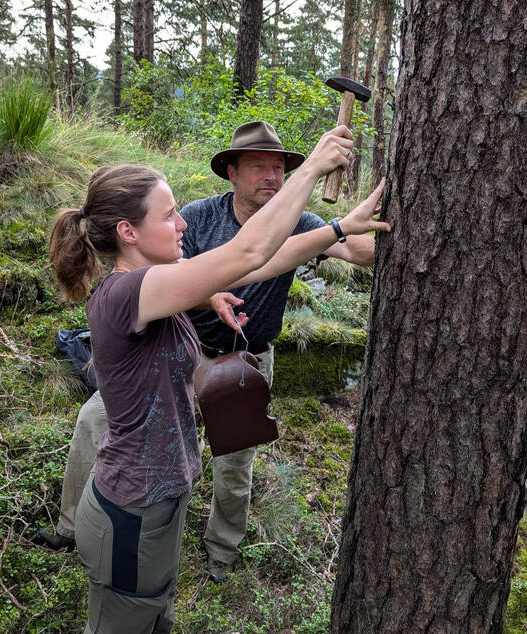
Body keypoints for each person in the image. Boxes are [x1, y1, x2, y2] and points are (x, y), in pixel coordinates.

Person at [45, 126, 388, 633]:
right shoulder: (129, 292)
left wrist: (336, 228)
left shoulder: (155, 284)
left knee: (153, 615)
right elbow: (245, 254)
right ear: (127, 232)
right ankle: (71, 528)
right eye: (167, 216)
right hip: (130, 512)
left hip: (156, 501)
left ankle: (217, 550)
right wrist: (313, 168)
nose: (182, 223)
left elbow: (262, 262)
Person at [180, 121, 378, 583]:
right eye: (258, 167)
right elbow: (172, 275)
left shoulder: (301, 223)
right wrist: (208, 294)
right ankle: (153, 523)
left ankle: (221, 550)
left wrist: (360, 224)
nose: (271, 176)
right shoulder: (201, 215)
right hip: (187, 354)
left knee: (234, 463)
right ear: (231, 172)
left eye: (278, 167)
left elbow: (361, 252)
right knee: (170, 444)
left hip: (247, 366)